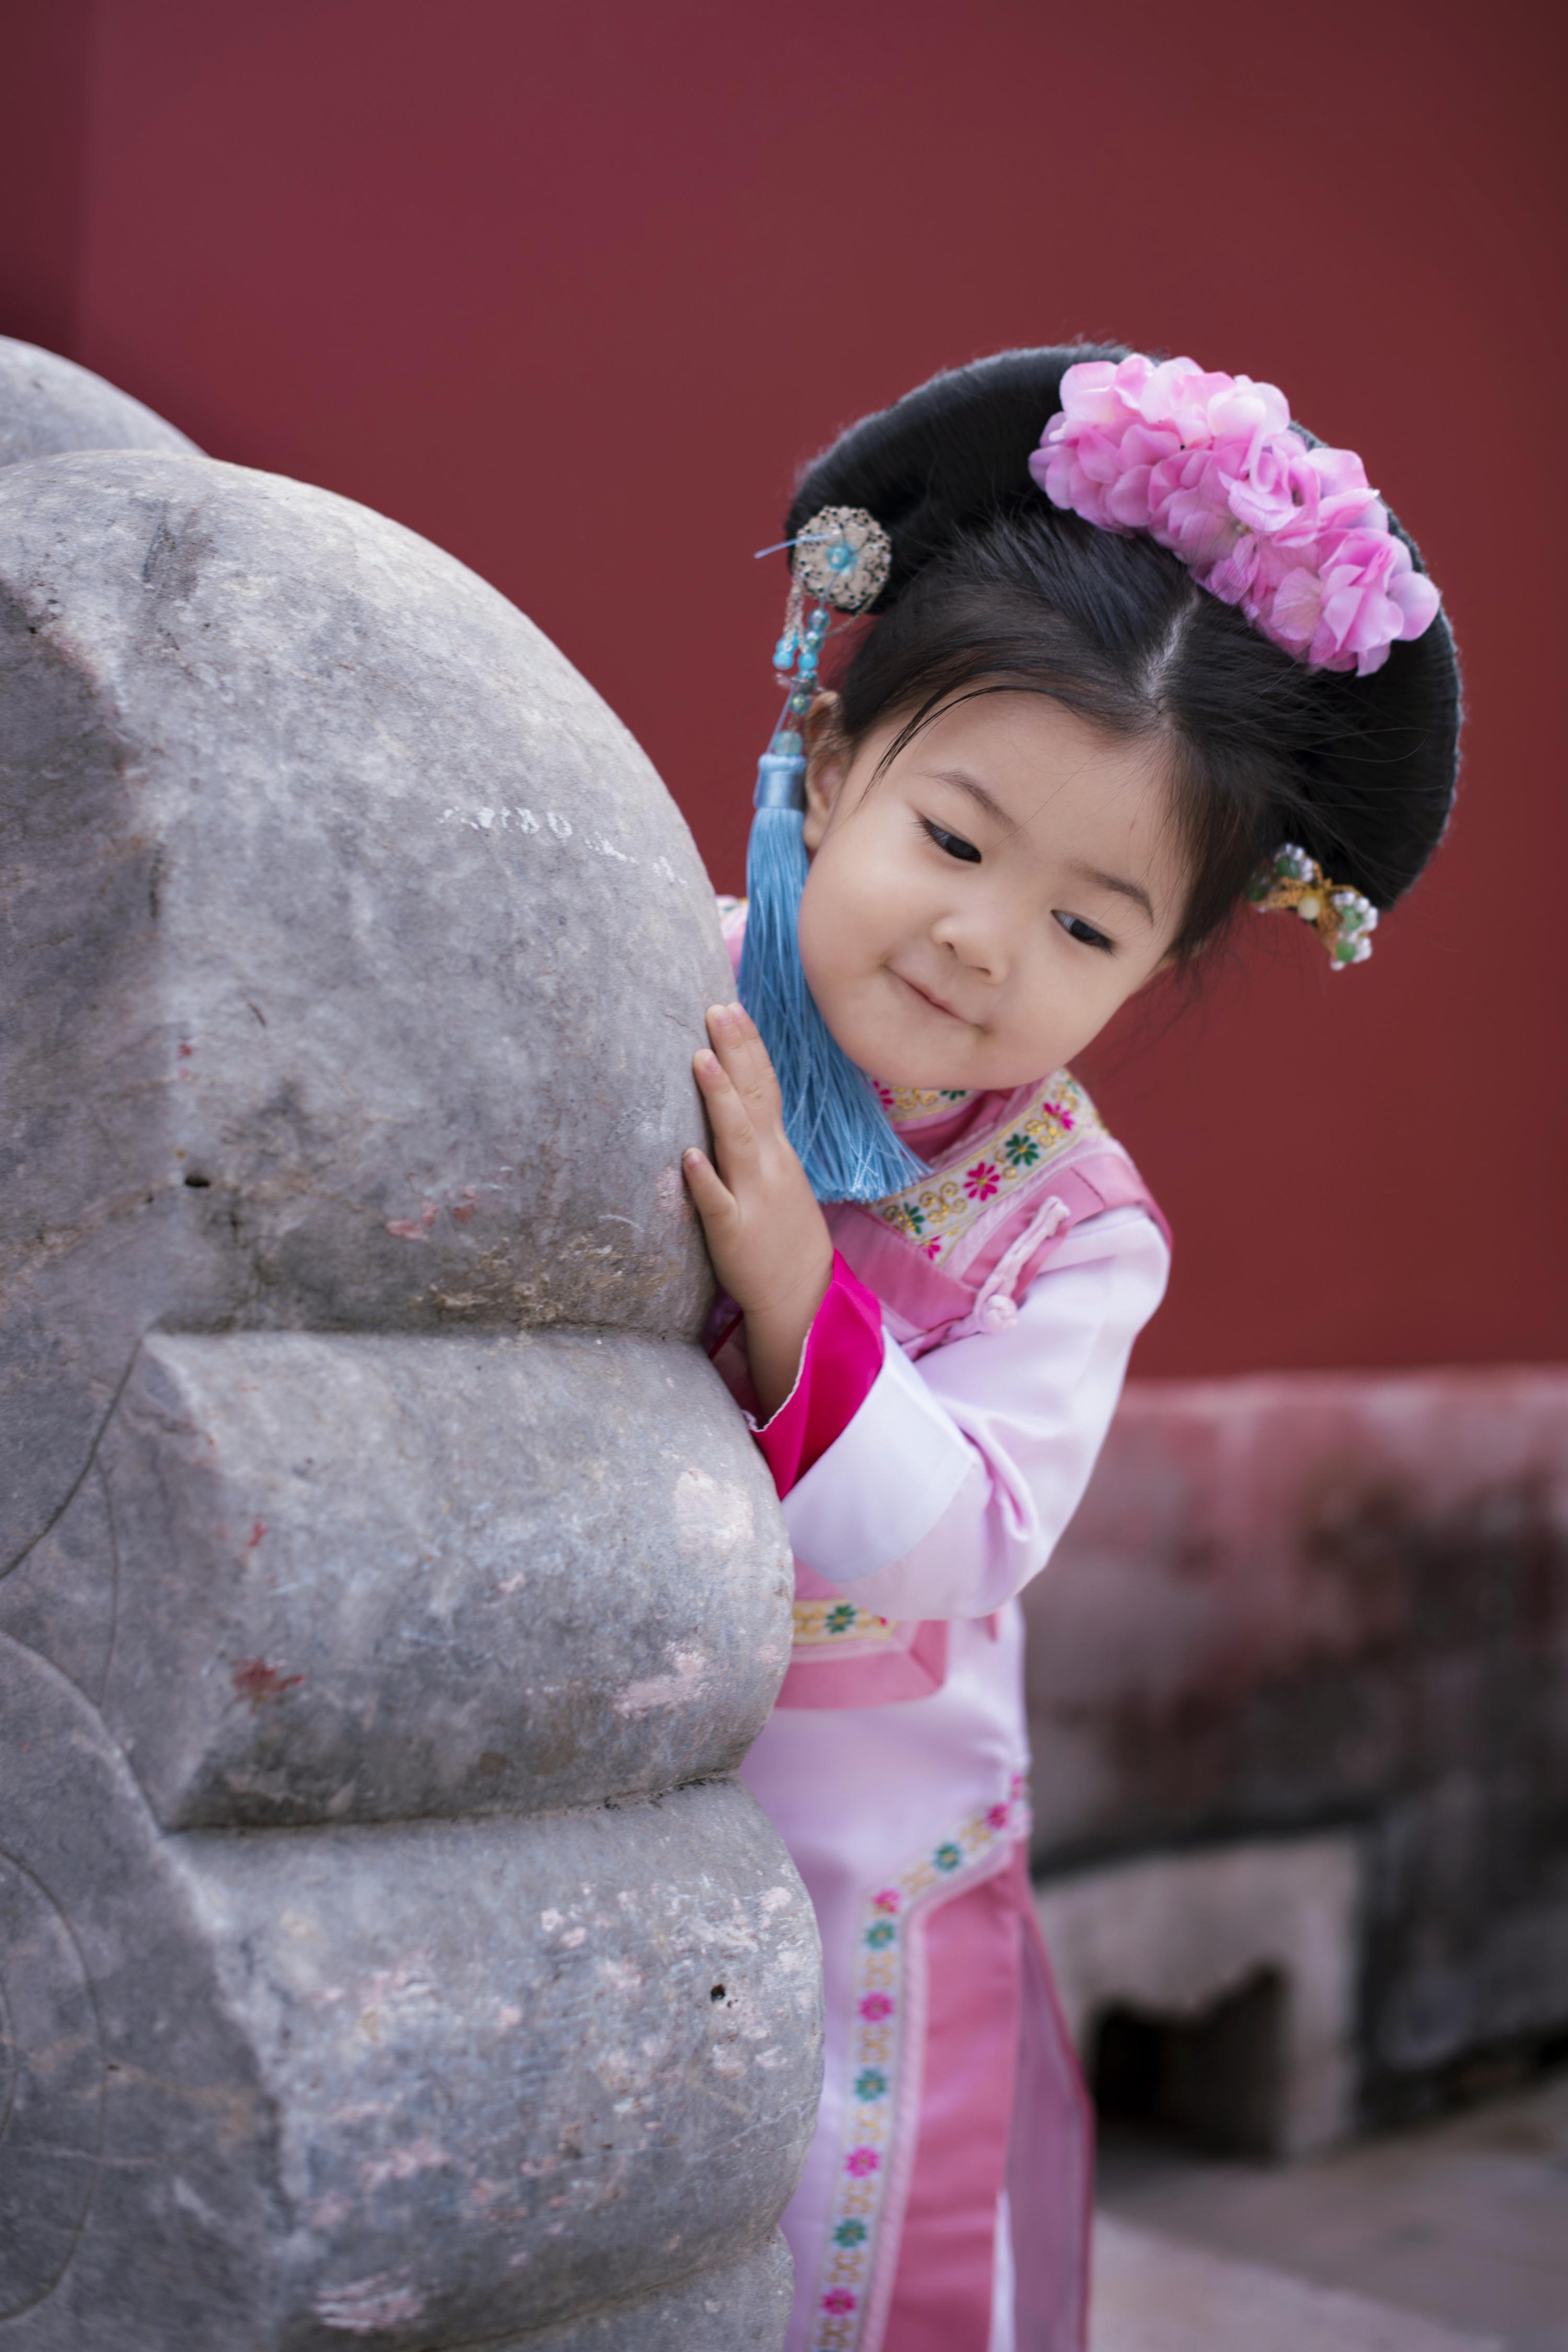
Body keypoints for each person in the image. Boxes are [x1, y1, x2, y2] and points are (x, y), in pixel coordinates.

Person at [678, 345, 1459, 2352]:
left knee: (843, 2249)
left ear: (1161, 967)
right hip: (583, 1753)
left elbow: (965, 1536)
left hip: (860, 1849)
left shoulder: (1074, 1232)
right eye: (952, 837)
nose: (982, 944)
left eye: (1089, 927)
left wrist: (796, 1291)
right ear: (832, 763)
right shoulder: (661, 993)